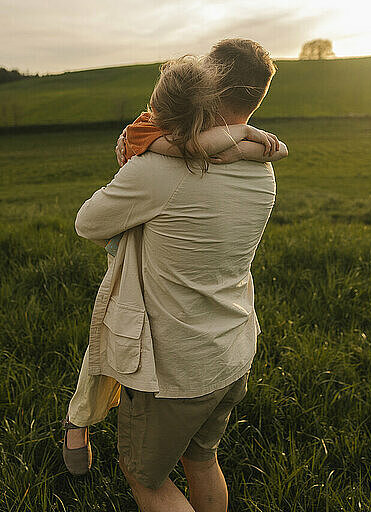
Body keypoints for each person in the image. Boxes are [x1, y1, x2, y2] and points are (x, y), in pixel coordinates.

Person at [64, 39, 288, 512]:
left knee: (146, 477)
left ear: (208, 88)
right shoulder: (262, 169)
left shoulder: (161, 171)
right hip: (231, 350)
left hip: (173, 368)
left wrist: (137, 161)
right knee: (201, 461)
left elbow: (89, 223)